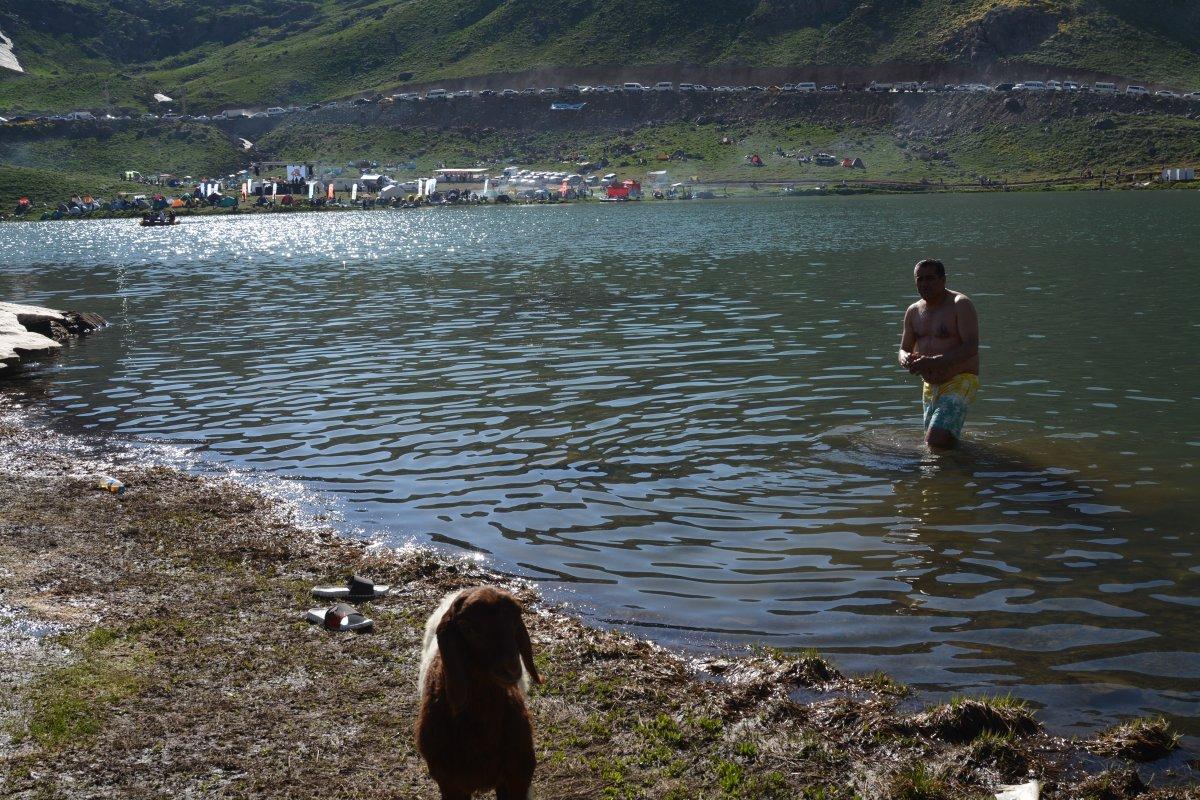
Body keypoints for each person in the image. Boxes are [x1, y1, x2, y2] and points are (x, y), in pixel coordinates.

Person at [898, 259, 980, 449]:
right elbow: (903, 349)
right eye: (920, 279)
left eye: (930, 278)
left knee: (934, 441)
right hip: (930, 386)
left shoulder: (960, 304)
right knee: (939, 444)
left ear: (943, 280)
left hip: (960, 380)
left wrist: (933, 362)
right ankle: (961, 462)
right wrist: (905, 359)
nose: (924, 284)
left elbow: (971, 347)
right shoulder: (913, 311)